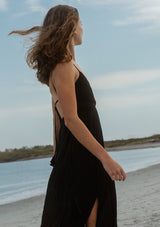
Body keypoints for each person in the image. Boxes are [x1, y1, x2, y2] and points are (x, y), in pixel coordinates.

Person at [9, 4, 126, 227]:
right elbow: (70, 119)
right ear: (72, 26)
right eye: (80, 22)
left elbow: (57, 118)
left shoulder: (68, 63)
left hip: (81, 154)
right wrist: (106, 158)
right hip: (82, 156)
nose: (83, 26)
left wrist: (58, 156)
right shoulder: (63, 66)